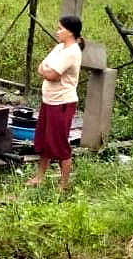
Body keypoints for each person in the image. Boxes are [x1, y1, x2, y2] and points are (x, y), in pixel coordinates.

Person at [27, 16, 84, 190]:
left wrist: (47, 71)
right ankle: (39, 176)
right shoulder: (60, 47)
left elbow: (52, 74)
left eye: (60, 29)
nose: (57, 31)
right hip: (49, 101)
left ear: (70, 32)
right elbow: (42, 66)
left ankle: (64, 182)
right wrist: (47, 70)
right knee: (45, 140)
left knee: (59, 142)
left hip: (62, 103)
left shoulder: (72, 51)